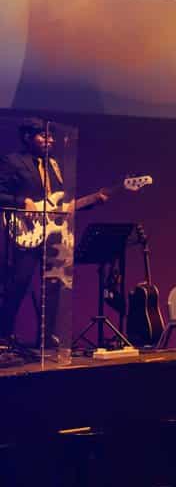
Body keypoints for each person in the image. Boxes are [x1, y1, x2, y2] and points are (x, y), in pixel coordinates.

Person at [1, 119, 105, 345]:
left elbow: (60, 204)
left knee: (54, 286)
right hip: (24, 232)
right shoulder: (13, 161)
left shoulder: (54, 165)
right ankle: (3, 336)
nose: (50, 140)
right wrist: (22, 202)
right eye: (43, 136)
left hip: (52, 235)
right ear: (27, 137)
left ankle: (47, 338)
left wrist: (91, 201)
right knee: (18, 284)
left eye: (51, 136)